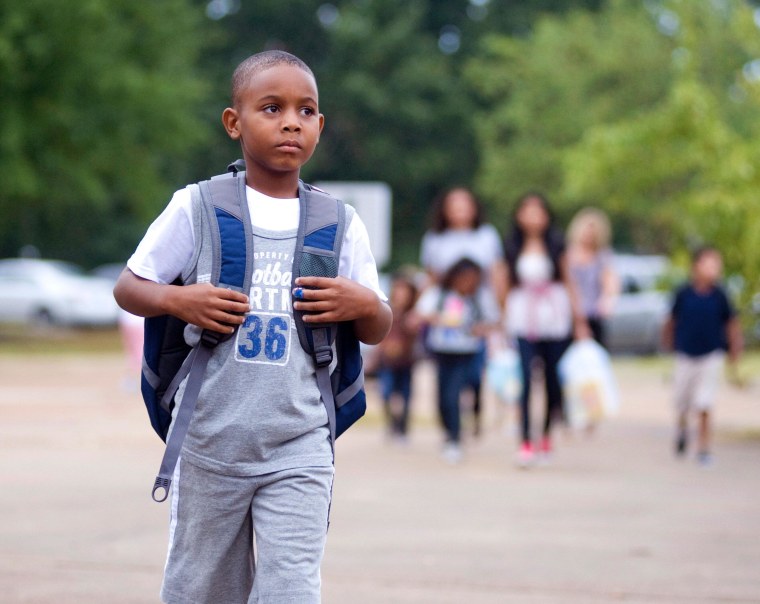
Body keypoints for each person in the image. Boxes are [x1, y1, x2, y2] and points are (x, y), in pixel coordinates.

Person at [113, 50, 391, 604]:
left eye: (306, 110)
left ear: (320, 126)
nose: (291, 121)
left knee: (291, 589)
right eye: (272, 107)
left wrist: (361, 301)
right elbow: (129, 288)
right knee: (202, 589)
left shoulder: (338, 222)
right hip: (209, 441)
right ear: (234, 122)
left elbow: (378, 326)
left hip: (301, 443)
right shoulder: (197, 206)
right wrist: (179, 300)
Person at [503, 192, 588, 468]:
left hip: (553, 317)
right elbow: (503, 285)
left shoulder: (556, 245)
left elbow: (569, 281)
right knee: (526, 379)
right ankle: (526, 440)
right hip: (522, 317)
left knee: (552, 378)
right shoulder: (511, 247)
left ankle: (547, 434)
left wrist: (579, 320)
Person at [419, 187, 506, 436]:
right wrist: (424, 309)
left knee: (473, 372)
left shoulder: (486, 236)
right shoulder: (435, 239)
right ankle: (451, 427)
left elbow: (496, 274)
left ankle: (474, 408)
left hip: (478, 310)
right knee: (448, 376)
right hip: (448, 313)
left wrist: (499, 313)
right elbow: (431, 278)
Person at [662, 246, 742, 466]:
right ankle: (682, 429)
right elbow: (671, 320)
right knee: (682, 402)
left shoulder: (720, 295)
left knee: (705, 402)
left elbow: (731, 323)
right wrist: (668, 342)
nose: (713, 268)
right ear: (696, 266)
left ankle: (704, 447)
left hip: (711, 354)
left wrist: (735, 349)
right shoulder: (683, 293)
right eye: (709, 263)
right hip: (685, 353)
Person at [415, 258, 500, 464]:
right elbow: (420, 312)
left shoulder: (480, 298)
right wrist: (436, 318)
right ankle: (448, 431)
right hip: (443, 350)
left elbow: (495, 320)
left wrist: (480, 329)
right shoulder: (440, 295)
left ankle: (455, 437)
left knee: (455, 393)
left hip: (467, 351)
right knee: (443, 395)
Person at [376, 272, 420, 443]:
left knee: (406, 395)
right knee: (387, 392)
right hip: (388, 361)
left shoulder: (413, 315)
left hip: (406, 361)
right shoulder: (386, 309)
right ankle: (391, 425)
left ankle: (403, 428)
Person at [566, 208, 620, 348]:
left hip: (593, 313)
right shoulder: (567, 255)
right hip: (569, 314)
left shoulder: (602, 256)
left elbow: (611, 282)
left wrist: (607, 300)